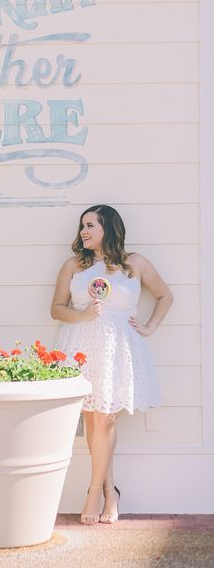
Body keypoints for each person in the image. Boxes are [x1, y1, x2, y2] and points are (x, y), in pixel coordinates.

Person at [50, 204, 173, 526]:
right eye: (82, 226)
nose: (83, 232)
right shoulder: (74, 265)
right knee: (93, 422)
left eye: (90, 225)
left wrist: (149, 327)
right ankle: (109, 490)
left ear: (109, 228)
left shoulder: (135, 263)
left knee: (106, 420)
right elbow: (57, 309)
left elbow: (165, 296)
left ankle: (94, 491)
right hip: (81, 345)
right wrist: (84, 315)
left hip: (118, 347)